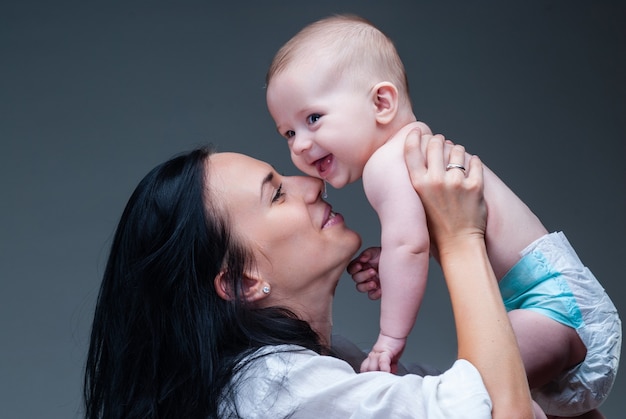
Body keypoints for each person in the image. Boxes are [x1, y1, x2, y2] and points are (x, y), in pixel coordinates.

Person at [264, 14, 621, 417]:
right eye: (288, 133)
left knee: (478, 395)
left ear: (382, 103)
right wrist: (391, 261)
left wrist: (388, 338)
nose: (301, 146)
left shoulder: (386, 164)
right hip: (562, 307)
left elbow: (410, 246)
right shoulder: (415, 144)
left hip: (548, 307)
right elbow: (428, 236)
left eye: (312, 119)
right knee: (507, 395)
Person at [84, 129, 539, 418]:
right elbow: (504, 410)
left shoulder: (318, 368)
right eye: (277, 194)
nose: (312, 183)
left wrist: (433, 244)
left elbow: (483, 387)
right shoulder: (281, 391)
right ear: (243, 280)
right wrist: (460, 238)